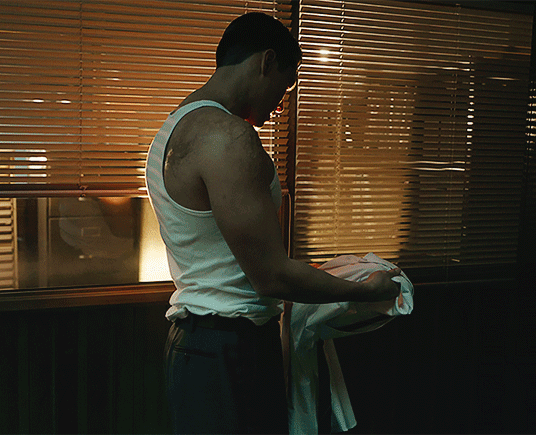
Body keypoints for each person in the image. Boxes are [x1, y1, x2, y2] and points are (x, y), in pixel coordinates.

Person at [145, 12, 403, 434]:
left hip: (198, 347)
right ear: (266, 62)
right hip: (229, 351)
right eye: (284, 86)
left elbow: (228, 258)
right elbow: (270, 276)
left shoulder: (172, 128)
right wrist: (366, 290)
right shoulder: (227, 136)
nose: (280, 105)